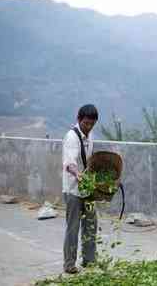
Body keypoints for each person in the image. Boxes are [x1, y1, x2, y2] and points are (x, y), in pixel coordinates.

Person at [62, 104, 98, 274]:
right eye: (85, 123)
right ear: (78, 119)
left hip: (87, 189)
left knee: (90, 224)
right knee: (73, 227)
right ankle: (69, 264)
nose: (88, 127)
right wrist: (78, 174)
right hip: (73, 190)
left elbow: (90, 160)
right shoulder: (71, 137)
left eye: (92, 124)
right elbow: (69, 164)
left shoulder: (90, 135)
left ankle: (89, 260)